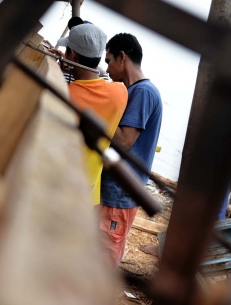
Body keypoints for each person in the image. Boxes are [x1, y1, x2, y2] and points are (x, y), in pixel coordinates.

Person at [100, 33, 163, 266]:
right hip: (117, 190)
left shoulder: (143, 92)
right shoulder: (134, 90)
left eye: (108, 61)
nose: (107, 69)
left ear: (122, 57)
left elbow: (125, 140)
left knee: (103, 257)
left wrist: (96, 111)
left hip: (120, 192)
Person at [50, 23, 128, 205]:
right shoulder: (120, 92)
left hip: (60, 189)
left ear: (73, 55)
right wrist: (72, 64)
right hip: (89, 192)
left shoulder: (66, 95)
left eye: (68, 51)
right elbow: (96, 78)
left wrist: (68, 66)